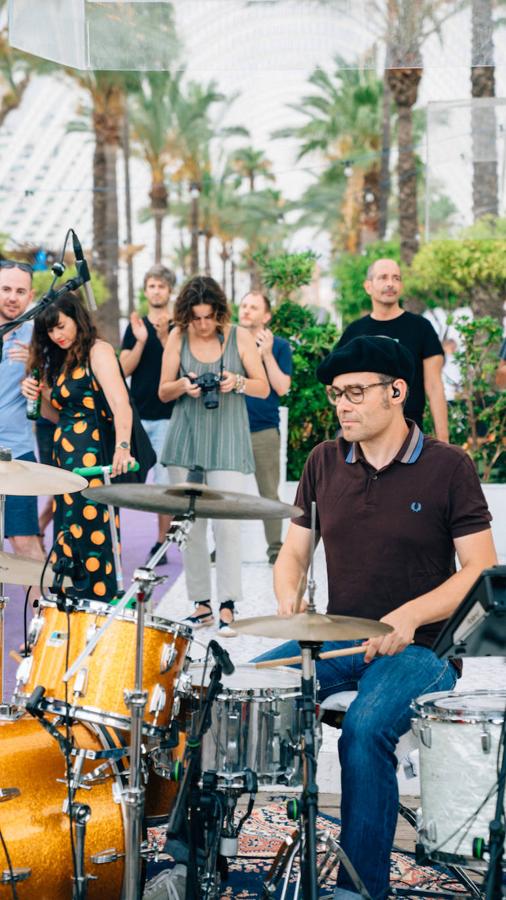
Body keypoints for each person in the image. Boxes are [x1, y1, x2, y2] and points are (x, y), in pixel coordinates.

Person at [256, 335, 497, 900]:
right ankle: (191, 852)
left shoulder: (448, 467)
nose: (343, 404)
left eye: (356, 392)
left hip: (423, 651)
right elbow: (293, 551)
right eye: (338, 394)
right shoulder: (322, 460)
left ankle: (358, 889)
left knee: (364, 730)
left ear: (397, 392)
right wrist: (288, 596)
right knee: (233, 688)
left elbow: (480, 569)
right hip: (338, 640)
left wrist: (409, 617)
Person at [159, 275, 269, 630]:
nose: (204, 325)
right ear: (186, 315)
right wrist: (183, 385)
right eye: (197, 317)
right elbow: (163, 391)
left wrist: (235, 382)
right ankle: (201, 603)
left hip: (227, 440)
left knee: (228, 528)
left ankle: (228, 605)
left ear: (219, 312)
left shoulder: (238, 335)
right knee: (190, 528)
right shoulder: (177, 336)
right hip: (186, 440)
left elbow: (263, 388)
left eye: (209, 316)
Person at [22, 292, 135, 601]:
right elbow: (54, 415)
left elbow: (120, 404)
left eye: (61, 326)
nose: (57, 335)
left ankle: (99, 603)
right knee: (68, 532)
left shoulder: (97, 351)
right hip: (64, 459)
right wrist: (39, 392)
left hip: (93, 457)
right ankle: (72, 608)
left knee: (94, 534)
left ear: (77, 318)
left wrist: (122, 448)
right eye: (50, 331)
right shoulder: (59, 358)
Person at [335, 258, 449, 441]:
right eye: (383, 278)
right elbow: (336, 384)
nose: (390, 283)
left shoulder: (421, 327)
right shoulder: (354, 332)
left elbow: (434, 386)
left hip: (407, 430)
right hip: (363, 431)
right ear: (368, 286)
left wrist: (443, 439)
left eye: (396, 278)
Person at [120, 264, 176, 565]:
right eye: (152, 286)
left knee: (163, 482)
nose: (156, 291)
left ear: (169, 291)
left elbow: (180, 368)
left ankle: (161, 543)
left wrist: (166, 335)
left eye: (161, 286)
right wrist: (141, 340)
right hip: (138, 416)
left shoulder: (179, 325)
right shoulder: (135, 326)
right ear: (146, 290)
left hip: (169, 416)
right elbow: (124, 369)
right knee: (131, 480)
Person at [238, 291, 292, 565]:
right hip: (230, 430)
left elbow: (282, 387)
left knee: (268, 492)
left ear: (266, 316)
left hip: (263, 430)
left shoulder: (280, 346)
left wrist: (267, 355)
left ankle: (275, 549)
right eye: (244, 305)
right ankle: (223, 548)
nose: (246, 311)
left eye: (254, 307)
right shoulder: (227, 343)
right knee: (224, 493)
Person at [0, 260, 44, 566]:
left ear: (31, 296)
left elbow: (56, 402)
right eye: (5, 289)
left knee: (24, 540)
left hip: (17, 454)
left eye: (20, 291)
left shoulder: (39, 339)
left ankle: (45, 615)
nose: (12, 297)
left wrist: (36, 363)